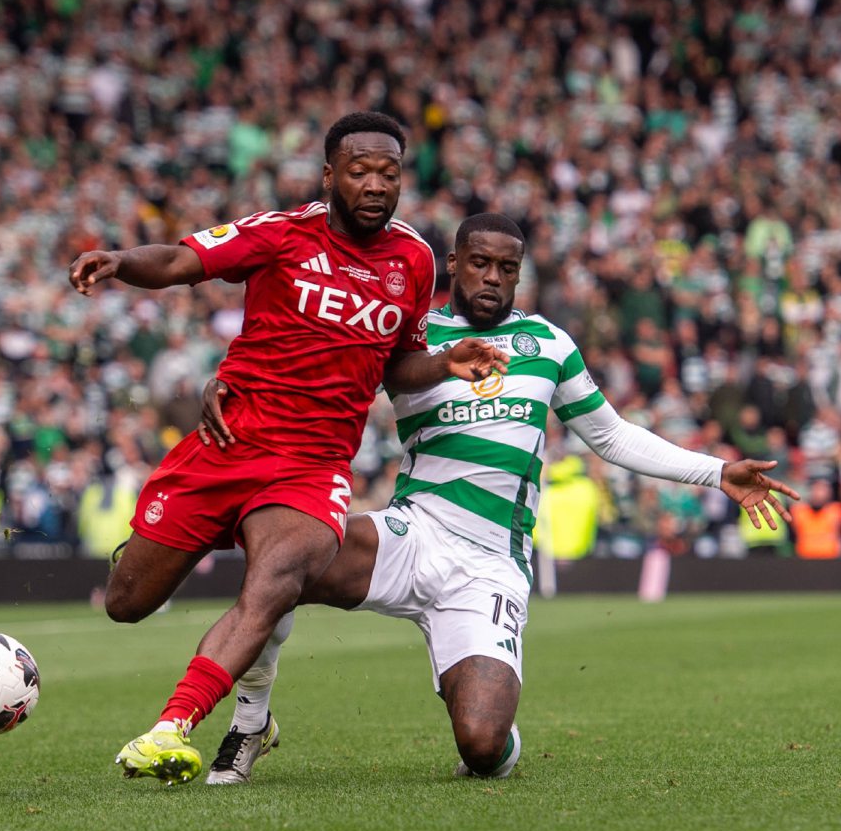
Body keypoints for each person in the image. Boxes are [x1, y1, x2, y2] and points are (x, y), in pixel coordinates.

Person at [197, 214, 798, 783]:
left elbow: (610, 435)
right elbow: (305, 366)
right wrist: (229, 381)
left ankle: (490, 727)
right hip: (413, 532)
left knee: (482, 747)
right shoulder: (412, 334)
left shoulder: (548, 344)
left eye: (507, 268)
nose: (493, 277)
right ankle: (251, 723)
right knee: (285, 556)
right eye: (480, 263)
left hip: (490, 563)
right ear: (453, 264)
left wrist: (717, 471)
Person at [67, 112, 509, 784]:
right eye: (359, 170)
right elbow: (185, 259)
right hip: (229, 442)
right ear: (329, 174)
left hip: (312, 467)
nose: (375, 185)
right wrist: (122, 262)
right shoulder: (279, 233)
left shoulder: (414, 260)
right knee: (128, 600)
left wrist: (448, 363)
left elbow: (400, 365)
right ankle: (211, 554)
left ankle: (173, 728)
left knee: (275, 579)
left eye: (389, 174)